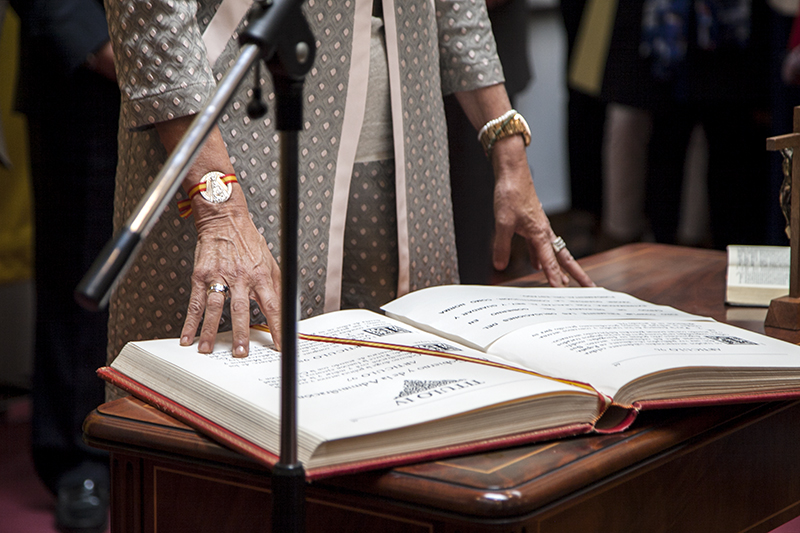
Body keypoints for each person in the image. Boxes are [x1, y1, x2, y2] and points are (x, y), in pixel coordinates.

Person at [102, 0, 594, 383]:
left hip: (407, 150)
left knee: (405, 390)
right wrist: (219, 208)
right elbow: (151, 16)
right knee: (230, 395)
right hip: (234, 140)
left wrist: (508, 154)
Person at [10, 0, 118, 531]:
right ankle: (81, 458)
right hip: (85, 77)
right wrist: (93, 41)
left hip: (208, 72)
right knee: (82, 276)